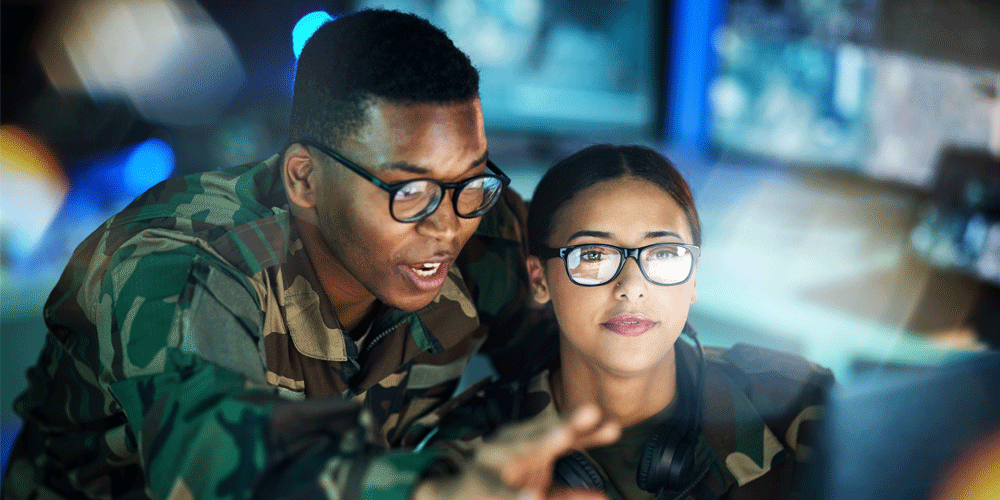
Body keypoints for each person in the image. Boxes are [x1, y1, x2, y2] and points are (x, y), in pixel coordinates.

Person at [2, 10, 614, 500]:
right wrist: (437, 490)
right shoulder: (175, 265)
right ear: (305, 179)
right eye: (409, 191)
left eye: (470, 181)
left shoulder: (474, 218)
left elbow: (592, 350)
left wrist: (559, 461)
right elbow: (235, 466)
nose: (448, 228)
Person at [408, 144, 835, 500]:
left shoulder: (804, 405)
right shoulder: (472, 456)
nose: (632, 287)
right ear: (539, 280)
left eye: (663, 254)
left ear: (694, 278)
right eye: (593, 255)